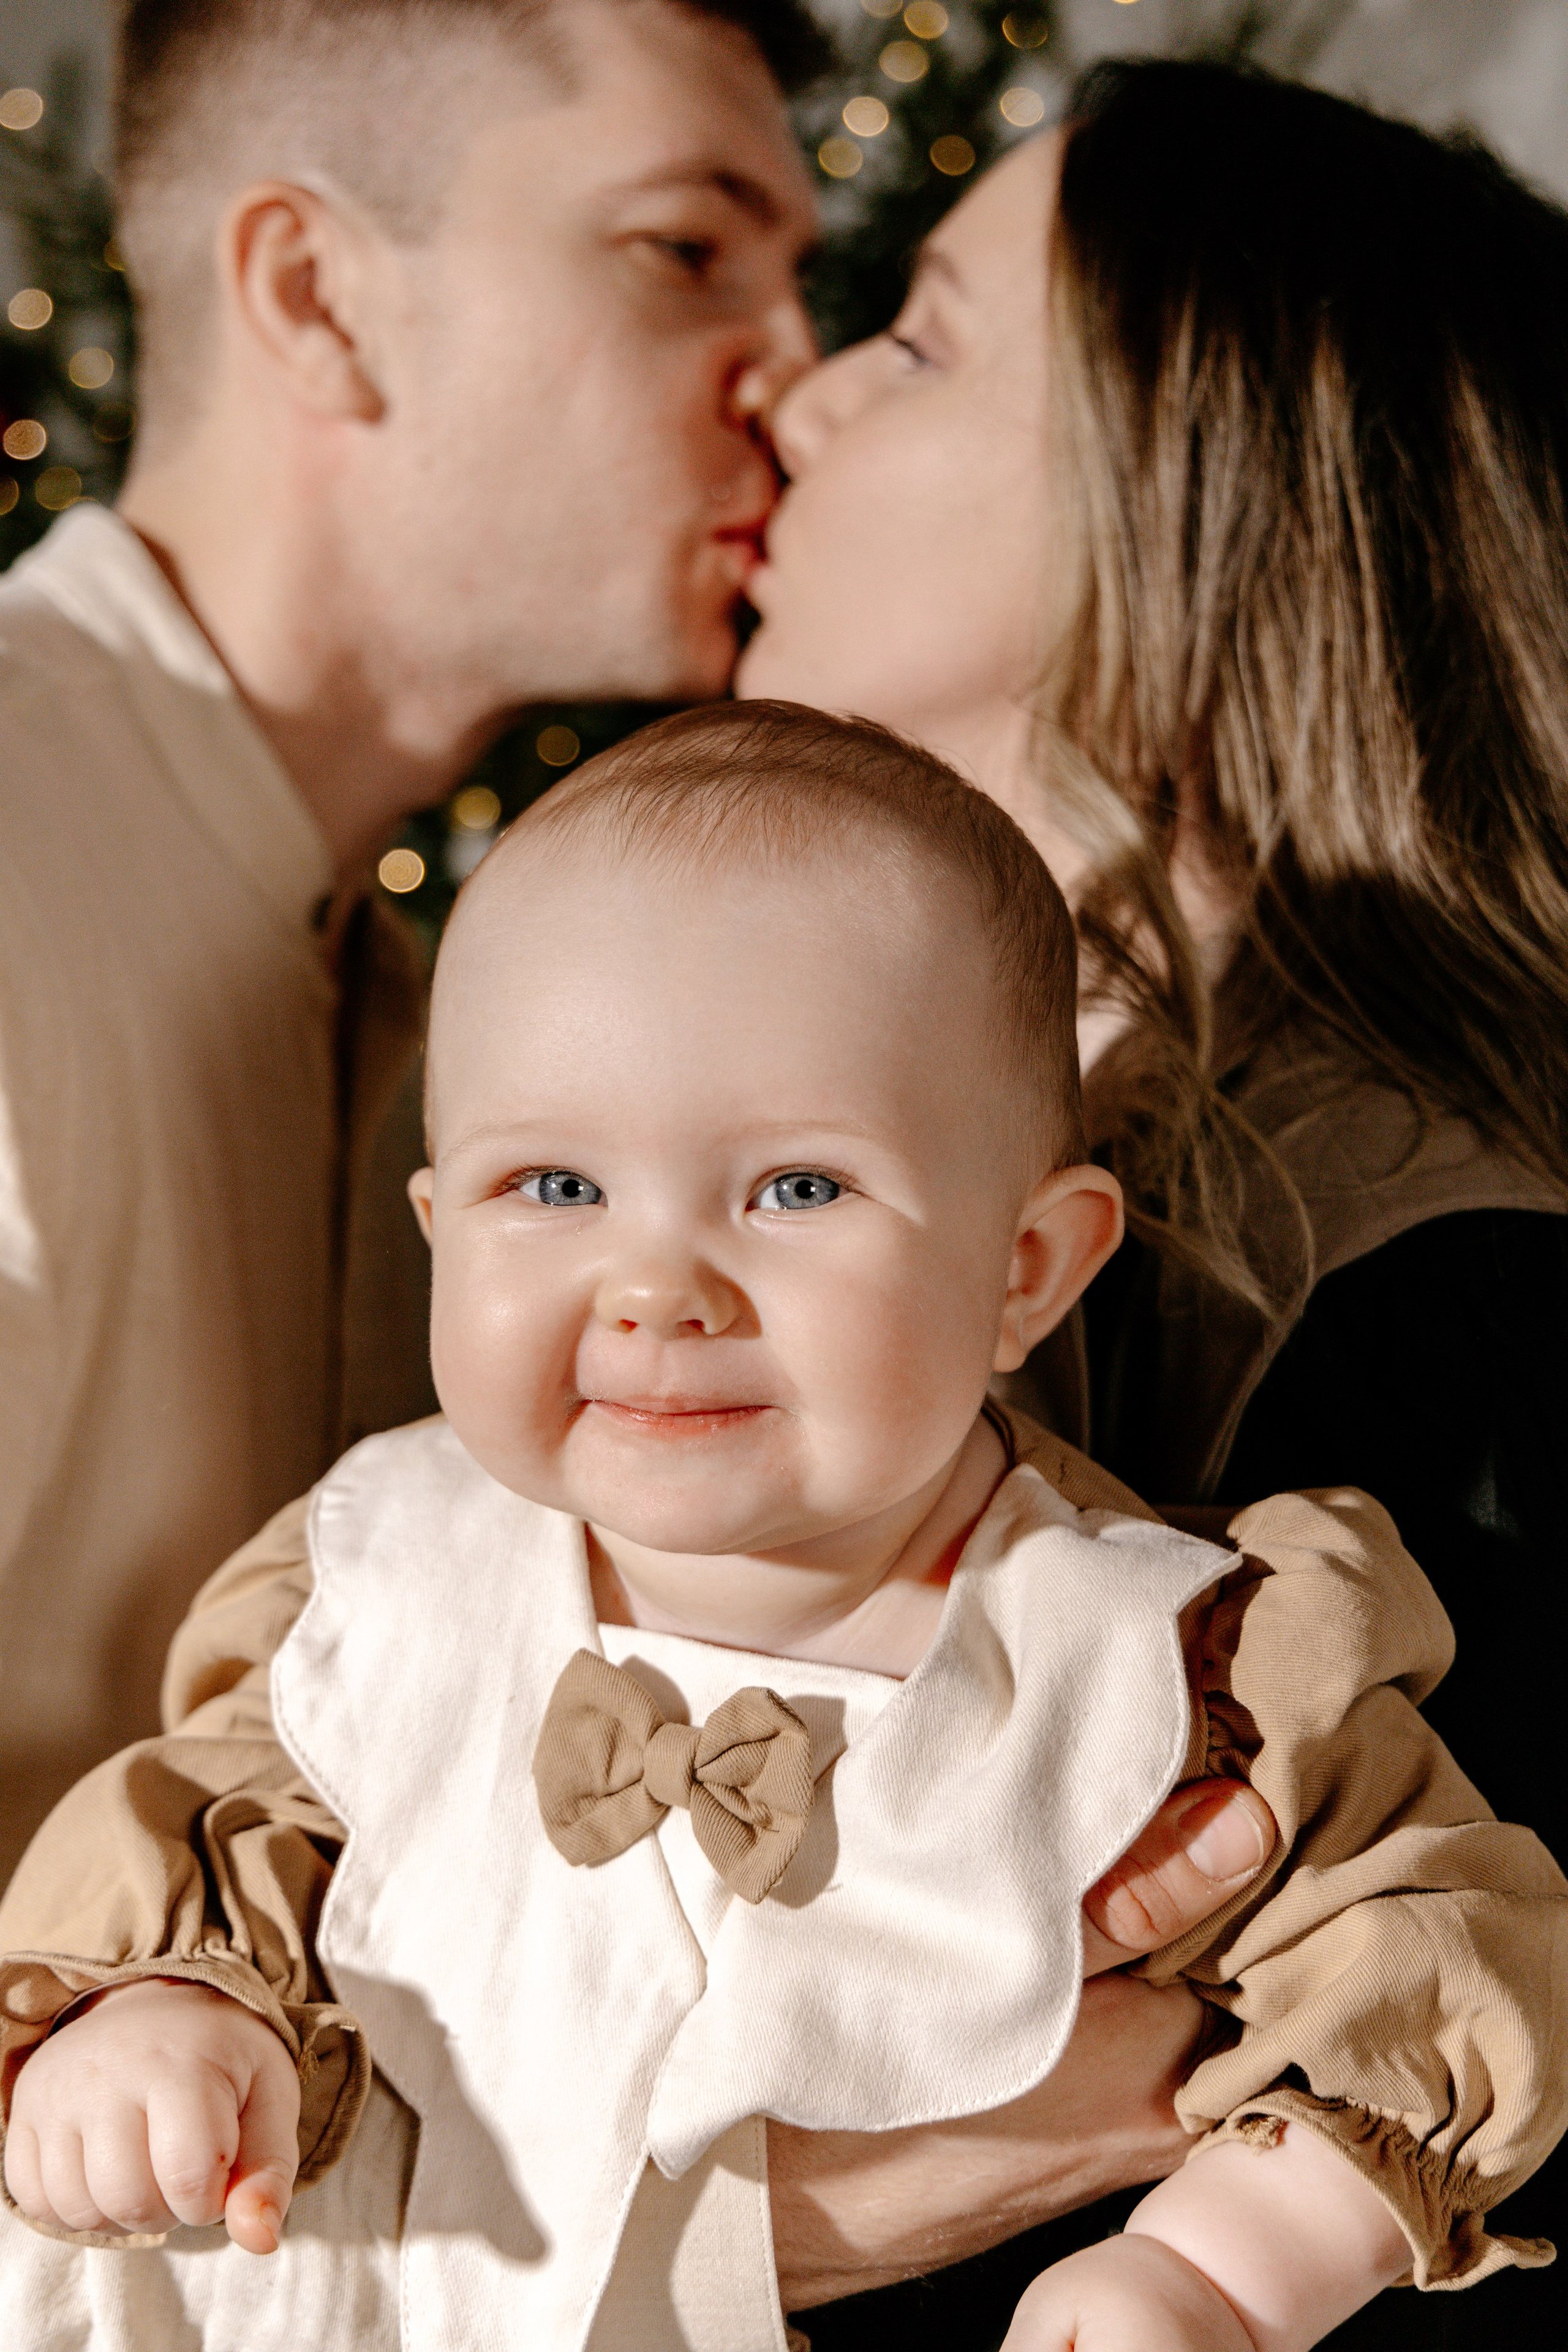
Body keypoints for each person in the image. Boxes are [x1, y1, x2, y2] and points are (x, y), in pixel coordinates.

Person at [0, 2, 1280, 2317]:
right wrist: (769, 2218)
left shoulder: (460, 1009)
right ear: (316, 292)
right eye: (686, 249)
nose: (785, 377)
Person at [2, 704, 1561, 2352]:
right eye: (553, 1188)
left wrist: (1219, 2270)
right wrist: (164, 2023)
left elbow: (1423, 1957)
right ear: (440, 1226)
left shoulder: (1166, 1671)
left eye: (796, 1190)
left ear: (1027, 1267)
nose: (658, 1285)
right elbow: (220, 1834)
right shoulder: (384, 1575)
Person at [737, 67, 1568, 2334]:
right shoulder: (920, 1148)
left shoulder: (1454, 1314)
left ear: (1193, 495)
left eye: (916, 339)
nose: (798, 401)